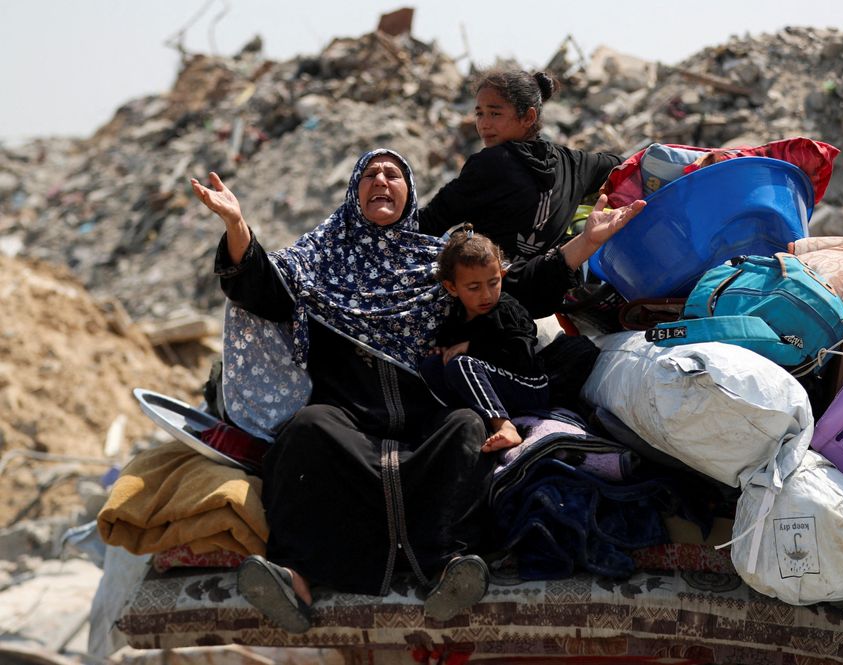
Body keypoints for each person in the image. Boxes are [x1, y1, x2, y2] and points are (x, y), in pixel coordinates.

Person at [190, 149, 644, 633]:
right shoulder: (314, 262)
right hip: (350, 419)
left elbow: (516, 288)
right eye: (369, 174)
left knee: (466, 427)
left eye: (393, 173)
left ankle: (448, 566)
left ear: (410, 191)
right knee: (307, 431)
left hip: (428, 417)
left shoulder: (440, 264)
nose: (381, 180)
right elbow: (258, 286)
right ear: (353, 191)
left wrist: (587, 242)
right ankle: (296, 575)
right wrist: (237, 225)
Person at [418, 69, 623, 260]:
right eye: (479, 113)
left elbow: (428, 223)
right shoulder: (574, 163)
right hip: (548, 285)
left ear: (528, 117)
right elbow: (625, 165)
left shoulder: (491, 164)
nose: (484, 124)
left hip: (489, 289)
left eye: (495, 113)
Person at [422, 226, 549, 451]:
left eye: (493, 283)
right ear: (452, 287)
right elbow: (449, 351)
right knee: (432, 365)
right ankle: (466, 421)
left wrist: (473, 347)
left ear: (501, 275)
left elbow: (521, 353)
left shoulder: (507, 310)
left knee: (462, 365)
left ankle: (505, 426)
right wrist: (442, 352)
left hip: (529, 387)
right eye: (473, 287)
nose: (486, 295)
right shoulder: (455, 316)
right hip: (489, 388)